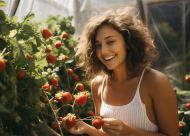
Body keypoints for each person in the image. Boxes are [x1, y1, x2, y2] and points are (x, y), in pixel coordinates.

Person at [61, 6, 179, 136]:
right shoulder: (98, 85)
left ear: (128, 42)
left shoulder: (155, 82)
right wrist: (87, 129)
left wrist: (129, 132)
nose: (103, 51)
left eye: (110, 42)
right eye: (98, 45)